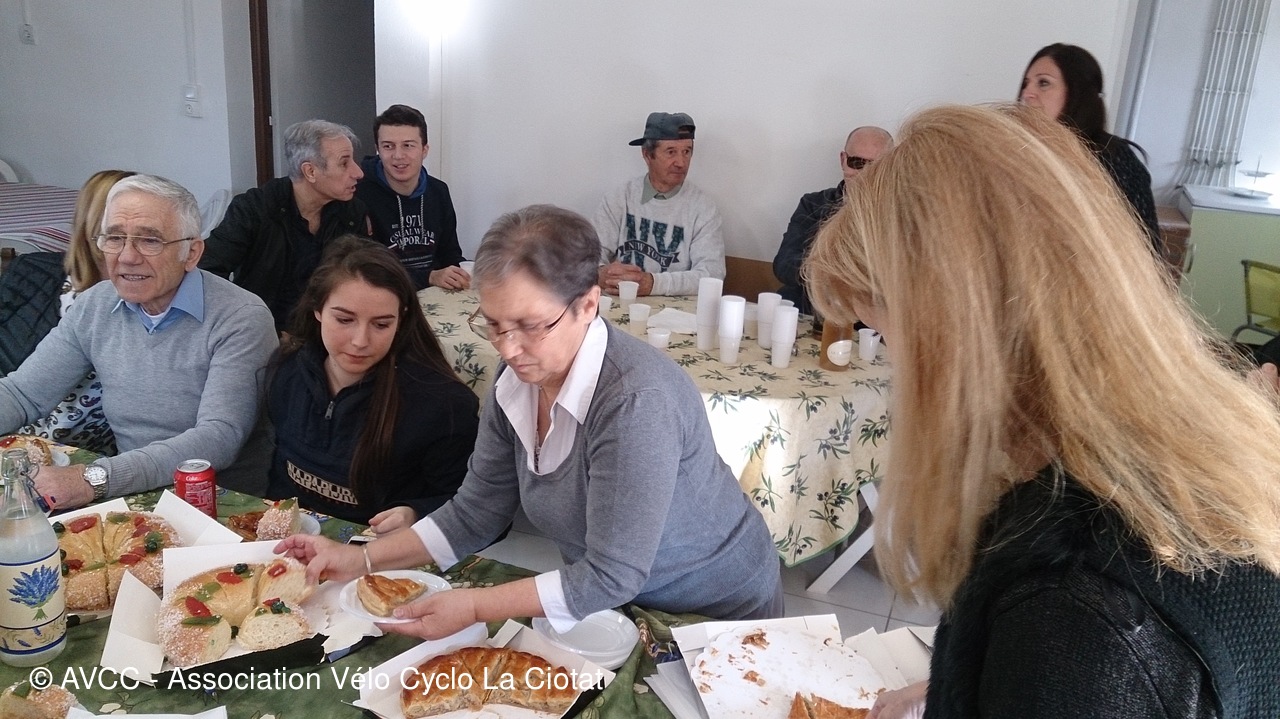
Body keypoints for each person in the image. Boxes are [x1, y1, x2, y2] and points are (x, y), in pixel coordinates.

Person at [807, 105, 1280, 719]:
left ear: (956, 338)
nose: (896, 366)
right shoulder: (1195, 452)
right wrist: (974, 681)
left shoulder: (1074, 607)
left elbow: (1094, 667)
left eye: (886, 332)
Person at [278, 204, 782, 639]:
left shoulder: (633, 401)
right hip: (619, 605)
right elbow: (475, 511)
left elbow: (612, 574)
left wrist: (474, 605)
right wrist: (361, 559)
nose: (508, 348)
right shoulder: (520, 377)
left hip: (711, 607)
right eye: (494, 325)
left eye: (530, 326)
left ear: (588, 304)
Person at [0, 174, 278, 509]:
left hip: (221, 503)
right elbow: (23, 394)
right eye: (115, 238)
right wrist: (105, 480)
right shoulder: (96, 304)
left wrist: (93, 479)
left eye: (150, 241)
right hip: (131, 494)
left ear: (192, 253)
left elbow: (218, 438)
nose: (127, 257)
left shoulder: (241, 317)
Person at [265, 235, 479, 526]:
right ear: (317, 309)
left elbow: (478, 510)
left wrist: (415, 513)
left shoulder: (443, 404)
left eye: (381, 324)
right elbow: (278, 479)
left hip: (379, 550)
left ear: (401, 320)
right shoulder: (287, 369)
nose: (360, 341)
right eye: (344, 320)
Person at [9, 170, 136, 454]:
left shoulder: (76, 285)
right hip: (60, 438)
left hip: (83, 436)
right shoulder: (89, 301)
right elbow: (24, 393)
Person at [200, 119, 369, 330]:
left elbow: (361, 274)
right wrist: (242, 323)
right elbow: (207, 272)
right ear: (310, 171)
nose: (358, 172)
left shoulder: (352, 212)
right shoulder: (254, 209)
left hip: (327, 329)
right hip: (262, 329)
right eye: (344, 163)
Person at [1019, 43, 1162, 253]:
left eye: (1043, 83)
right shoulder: (1016, 152)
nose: (1027, 93)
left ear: (1077, 94)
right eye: (1026, 83)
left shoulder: (1115, 159)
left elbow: (1145, 250)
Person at [594, 112, 725, 297]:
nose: (681, 162)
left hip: (677, 312)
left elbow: (712, 275)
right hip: (621, 302)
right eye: (671, 152)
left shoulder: (704, 208)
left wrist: (653, 284)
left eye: (687, 151)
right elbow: (589, 256)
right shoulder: (619, 198)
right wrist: (600, 273)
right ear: (647, 155)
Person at [773, 127, 892, 315]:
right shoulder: (814, 205)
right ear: (843, 160)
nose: (866, 173)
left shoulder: (903, 215)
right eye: (857, 163)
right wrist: (838, 276)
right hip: (813, 307)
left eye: (877, 166)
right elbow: (785, 264)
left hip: (874, 316)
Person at [356, 104, 468, 292]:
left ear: (424, 150)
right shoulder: (359, 195)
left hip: (433, 294)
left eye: (408, 145)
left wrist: (461, 273)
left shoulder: (438, 191)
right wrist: (429, 276)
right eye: (388, 146)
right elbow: (366, 269)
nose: (398, 156)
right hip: (385, 294)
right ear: (378, 150)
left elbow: (450, 254)